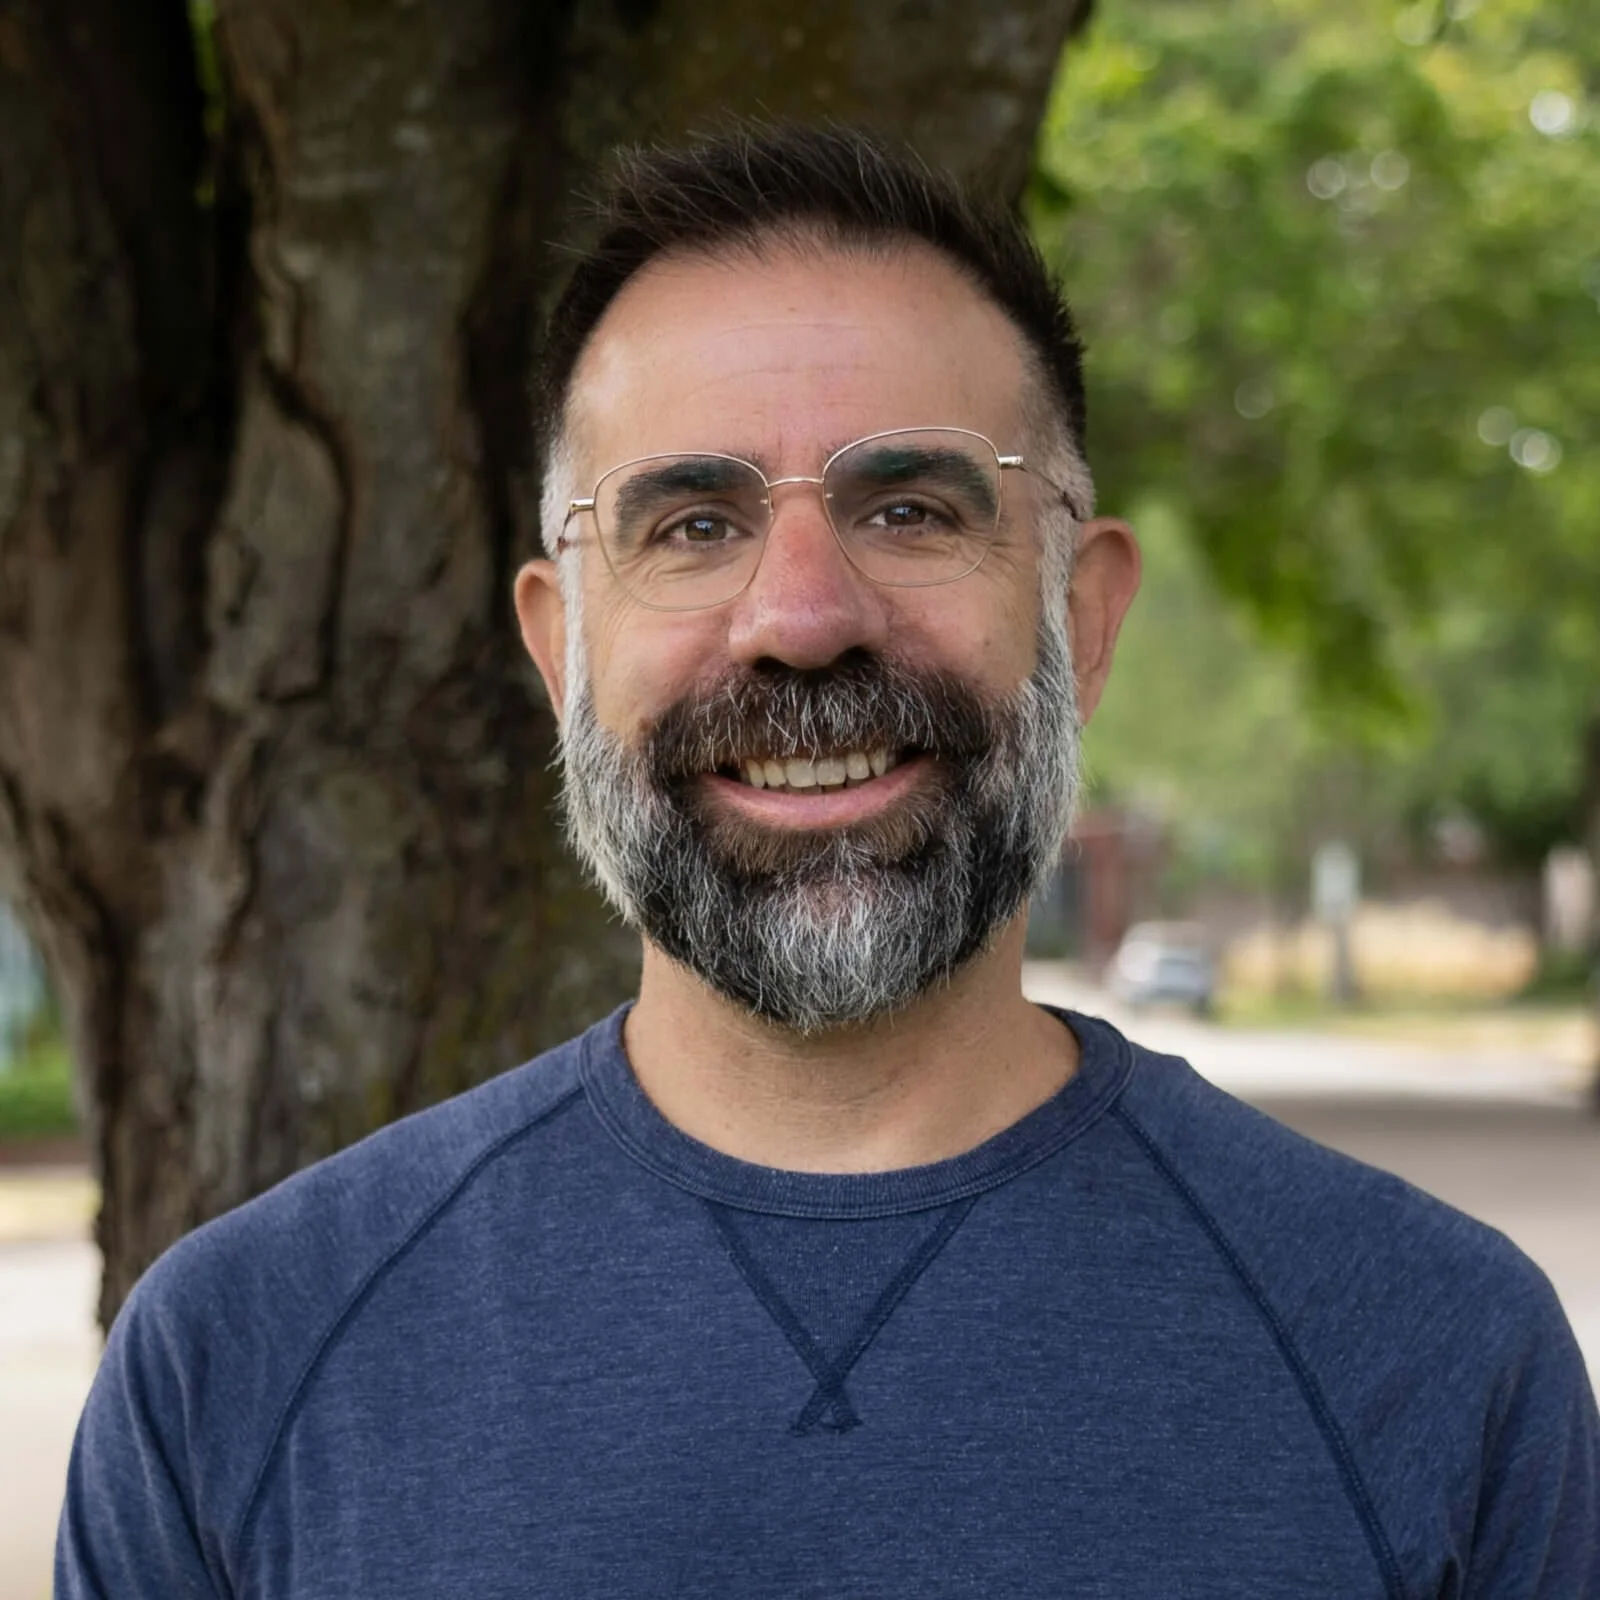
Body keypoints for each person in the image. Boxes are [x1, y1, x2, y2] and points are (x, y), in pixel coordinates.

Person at [57, 125, 1598, 1599]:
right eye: (690, 524)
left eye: (913, 506)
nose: (802, 615)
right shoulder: (238, 1359)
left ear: (1087, 614)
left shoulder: (1438, 1359)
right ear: (558, 648)